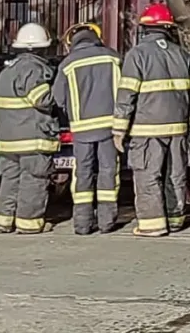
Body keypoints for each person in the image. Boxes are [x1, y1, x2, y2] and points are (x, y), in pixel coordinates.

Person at [113, 3, 190, 237]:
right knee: (176, 174)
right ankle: (175, 218)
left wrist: (119, 130)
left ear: (146, 28)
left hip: (147, 130)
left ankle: (152, 224)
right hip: (179, 129)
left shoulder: (138, 54)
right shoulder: (182, 55)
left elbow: (126, 95)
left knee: (148, 175)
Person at [53, 22, 121, 235]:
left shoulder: (67, 64)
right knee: (108, 172)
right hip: (110, 128)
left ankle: (82, 224)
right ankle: (107, 222)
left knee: (82, 173)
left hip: (81, 130)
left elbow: (58, 98)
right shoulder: (114, 58)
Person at [0, 22, 59, 234]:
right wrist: (59, 92)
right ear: (42, 47)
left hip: (9, 140)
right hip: (33, 137)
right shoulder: (33, 69)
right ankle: (29, 222)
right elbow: (42, 99)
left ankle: (3, 220)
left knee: (10, 180)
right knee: (34, 179)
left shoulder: (7, 70)